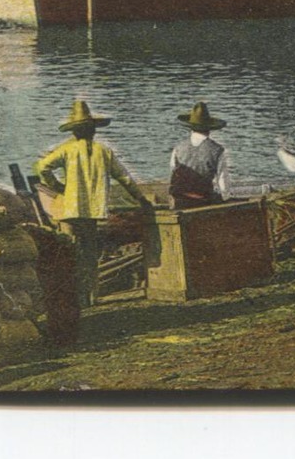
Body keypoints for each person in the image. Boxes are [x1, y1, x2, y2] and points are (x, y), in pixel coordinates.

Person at [35, 99, 151, 308]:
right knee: (89, 255)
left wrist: (58, 186)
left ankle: (72, 297)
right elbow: (123, 177)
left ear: (74, 132)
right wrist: (141, 199)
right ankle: (91, 297)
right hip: (91, 211)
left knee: (69, 253)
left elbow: (42, 167)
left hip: (69, 210)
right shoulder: (103, 151)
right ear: (93, 131)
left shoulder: (67, 150)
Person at [168, 102, 230, 209]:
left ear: (191, 128)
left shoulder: (178, 148)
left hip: (179, 199)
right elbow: (222, 180)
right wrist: (225, 198)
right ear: (209, 128)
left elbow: (173, 172)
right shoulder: (217, 150)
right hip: (203, 199)